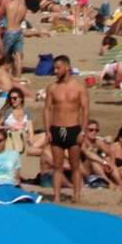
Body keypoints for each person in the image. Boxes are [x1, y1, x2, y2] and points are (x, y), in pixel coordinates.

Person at [43, 55, 90, 201]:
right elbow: (46, 109)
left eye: (58, 68)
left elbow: (85, 109)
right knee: (57, 166)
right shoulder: (52, 87)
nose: (55, 71)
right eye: (55, 68)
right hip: (56, 129)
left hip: (73, 129)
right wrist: (47, 130)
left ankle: (76, 195)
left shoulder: (79, 87)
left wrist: (83, 131)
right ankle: (56, 197)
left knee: (75, 165)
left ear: (67, 67)